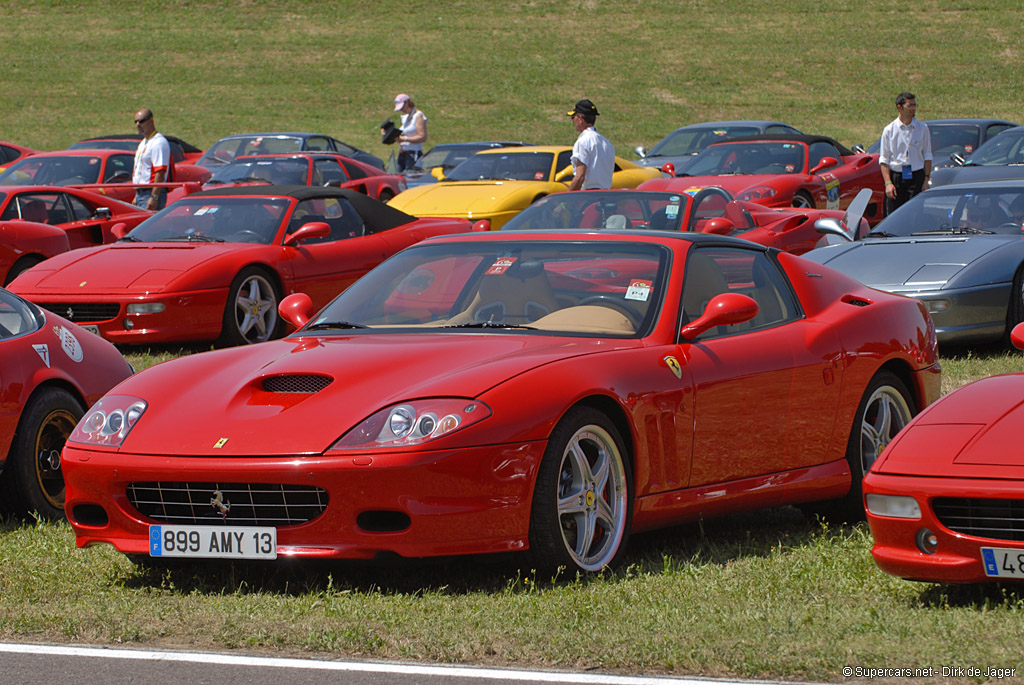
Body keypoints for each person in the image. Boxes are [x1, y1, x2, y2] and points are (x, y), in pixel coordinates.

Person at [879, 92, 932, 215]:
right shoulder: (889, 130)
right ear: (900, 107)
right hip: (896, 176)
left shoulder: (922, 128)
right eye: (910, 105)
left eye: (915, 105)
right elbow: (884, 160)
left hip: (916, 176)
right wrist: (888, 183)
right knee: (893, 214)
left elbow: (927, 155)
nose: (913, 109)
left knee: (915, 214)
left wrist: (926, 179)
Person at [566, 99, 614, 191]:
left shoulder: (583, 141)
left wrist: (566, 199)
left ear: (580, 119)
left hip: (589, 196)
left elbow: (580, 177)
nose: (572, 121)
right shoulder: (607, 143)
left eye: (573, 117)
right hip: (606, 195)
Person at [132, 108, 171, 211]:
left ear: (151, 120)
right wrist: (136, 196)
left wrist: (154, 197)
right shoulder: (143, 143)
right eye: (135, 121)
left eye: (141, 121)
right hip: (141, 193)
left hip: (150, 192)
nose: (138, 124)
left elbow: (160, 172)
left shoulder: (158, 142)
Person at [390, 94, 428, 172]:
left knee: (411, 178)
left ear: (407, 102)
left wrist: (404, 139)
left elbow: (423, 137)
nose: (402, 110)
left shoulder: (418, 116)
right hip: (403, 154)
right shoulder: (406, 117)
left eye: (402, 107)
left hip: (413, 154)